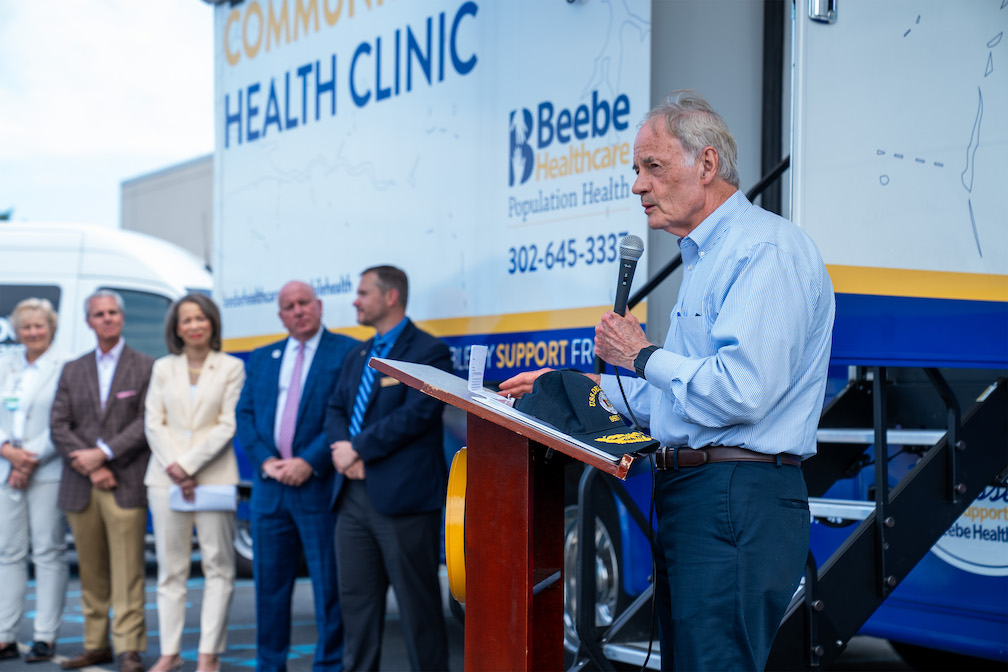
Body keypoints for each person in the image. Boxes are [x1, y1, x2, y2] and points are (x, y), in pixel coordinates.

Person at [499, 90, 836, 671]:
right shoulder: (705, 257)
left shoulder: (763, 250)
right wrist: (566, 386)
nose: (637, 186)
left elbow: (741, 391)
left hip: (735, 493)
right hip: (700, 494)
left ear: (706, 166)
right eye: (636, 169)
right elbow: (672, 400)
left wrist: (642, 353)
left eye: (652, 166)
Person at [325, 266, 451, 672]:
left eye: (363, 293)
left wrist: (358, 449)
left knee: (419, 612)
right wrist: (344, 451)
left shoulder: (429, 352)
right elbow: (335, 407)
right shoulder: (359, 353)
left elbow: (416, 416)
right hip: (352, 499)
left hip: (404, 500)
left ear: (390, 296)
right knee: (357, 611)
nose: (355, 301)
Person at [235, 280, 357, 672]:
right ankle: (270, 665)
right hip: (270, 491)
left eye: (304, 302)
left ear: (319, 305)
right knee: (269, 590)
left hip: (317, 486)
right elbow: (246, 416)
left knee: (328, 589)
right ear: (280, 314)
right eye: (289, 306)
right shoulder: (264, 356)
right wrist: (266, 462)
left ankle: (329, 665)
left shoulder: (346, 352)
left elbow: (346, 413)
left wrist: (309, 460)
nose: (298, 310)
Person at [50, 290, 154, 672]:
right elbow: (58, 425)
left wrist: (106, 453)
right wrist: (92, 465)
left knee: (129, 571)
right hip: (82, 485)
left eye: (113, 313)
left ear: (121, 319)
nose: (107, 318)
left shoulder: (145, 366)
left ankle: (129, 648)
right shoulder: (72, 369)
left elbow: (145, 423)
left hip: (125, 483)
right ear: (88, 321)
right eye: (99, 314)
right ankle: (95, 645)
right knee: (91, 572)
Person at [144, 295, 245, 672]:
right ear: (176, 328)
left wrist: (187, 466)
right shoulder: (162, 368)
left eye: (201, 318)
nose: (194, 325)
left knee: (219, 567)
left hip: (214, 477)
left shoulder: (232, 367)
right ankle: (170, 653)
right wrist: (176, 468)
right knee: (172, 570)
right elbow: (154, 422)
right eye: (186, 320)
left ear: (213, 323)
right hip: (164, 479)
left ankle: (208, 655)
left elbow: (227, 423)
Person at [0, 298, 69, 663]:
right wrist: (7, 450)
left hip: (47, 471)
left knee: (48, 551)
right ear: (17, 331)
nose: (33, 332)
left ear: (51, 327)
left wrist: (28, 460)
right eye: (26, 327)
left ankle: (45, 636)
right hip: (6, 470)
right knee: (8, 553)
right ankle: (5, 635)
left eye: (39, 326)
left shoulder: (64, 366)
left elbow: (62, 418)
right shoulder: (6, 365)